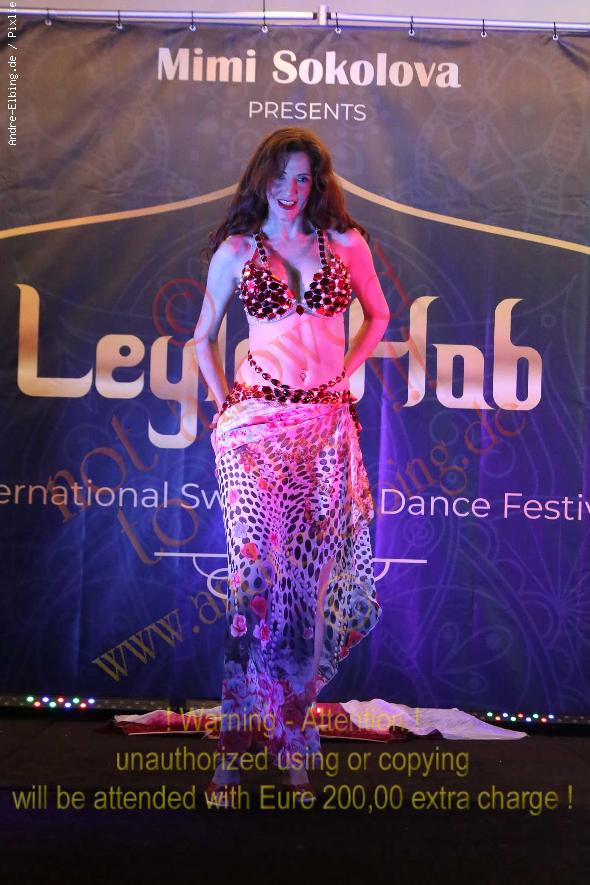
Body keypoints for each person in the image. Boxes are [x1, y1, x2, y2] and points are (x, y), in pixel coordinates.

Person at [193, 126, 389, 806]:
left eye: (303, 178)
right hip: (253, 432)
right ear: (262, 179)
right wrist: (224, 407)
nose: (291, 189)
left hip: (323, 431)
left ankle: (294, 748)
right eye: (280, 177)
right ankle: (231, 751)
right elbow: (202, 336)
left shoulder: (346, 245)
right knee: (251, 584)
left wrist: (342, 375)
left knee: (304, 599)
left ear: (317, 184)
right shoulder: (238, 251)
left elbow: (379, 315)